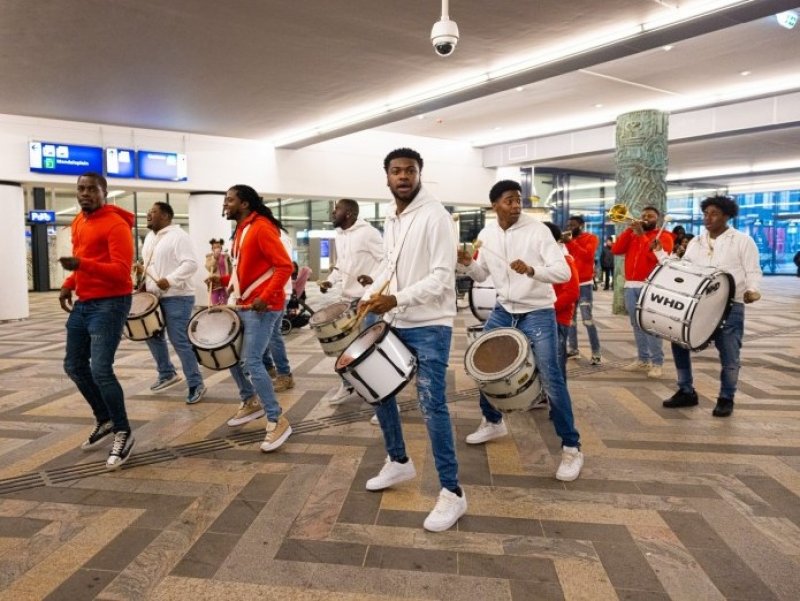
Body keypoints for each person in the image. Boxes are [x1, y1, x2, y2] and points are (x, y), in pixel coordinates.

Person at [361, 147, 466, 533]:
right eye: (396, 171)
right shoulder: (392, 217)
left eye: (409, 170)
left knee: (431, 405)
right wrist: (369, 294)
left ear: (420, 174)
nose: (403, 176)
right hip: (396, 319)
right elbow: (390, 265)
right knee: (378, 390)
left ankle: (452, 492)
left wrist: (395, 299)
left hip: (430, 324)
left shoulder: (436, 215)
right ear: (387, 177)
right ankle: (399, 460)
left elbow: (441, 276)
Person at [457, 180, 584, 483]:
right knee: (482, 366)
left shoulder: (537, 231)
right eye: (509, 200)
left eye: (518, 200)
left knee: (551, 378)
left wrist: (531, 270)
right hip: (504, 309)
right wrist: (467, 264)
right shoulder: (487, 234)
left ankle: (571, 448)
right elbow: (482, 275)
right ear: (494, 205)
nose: (516, 205)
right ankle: (493, 422)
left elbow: (563, 272)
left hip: (538, 311)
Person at [657, 195, 762, 417]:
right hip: (698, 304)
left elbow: (752, 270)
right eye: (706, 213)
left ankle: (726, 397)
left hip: (730, 305)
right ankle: (686, 390)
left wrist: (752, 290)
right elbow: (683, 268)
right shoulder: (697, 241)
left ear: (727, 216)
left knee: (729, 353)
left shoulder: (742, 241)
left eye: (714, 213)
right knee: (679, 341)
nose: (708, 218)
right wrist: (660, 254)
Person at [58, 172, 135, 469]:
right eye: (81, 188)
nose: (85, 193)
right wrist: (69, 283)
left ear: (104, 192)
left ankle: (123, 431)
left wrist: (81, 264)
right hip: (85, 302)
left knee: (101, 369)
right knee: (74, 365)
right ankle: (105, 418)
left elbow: (121, 272)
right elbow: (82, 257)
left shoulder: (116, 224)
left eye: (92, 189)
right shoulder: (80, 221)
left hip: (111, 303)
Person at [210, 184, 294, 452]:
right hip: (245, 303)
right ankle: (250, 401)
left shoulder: (261, 228)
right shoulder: (241, 230)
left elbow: (284, 266)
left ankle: (276, 419)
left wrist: (266, 296)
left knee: (252, 360)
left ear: (244, 204)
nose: (225, 205)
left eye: (229, 200)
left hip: (263, 307)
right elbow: (245, 270)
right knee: (232, 355)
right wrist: (223, 280)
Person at [139, 202, 206, 404]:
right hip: (154, 296)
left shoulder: (179, 236)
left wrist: (170, 279)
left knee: (179, 340)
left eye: (153, 211)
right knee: (151, 334)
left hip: (178, 296)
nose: (148, 214)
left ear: (166, 216)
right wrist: (143, 280)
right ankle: (167, 373)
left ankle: (196, 383)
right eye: (148, 211)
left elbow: (191, 264)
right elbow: (152, 265)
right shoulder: (150, 237)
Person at [318, 198, 384, 404]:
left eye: (336, 209)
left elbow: (386, 260)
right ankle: (348, 385)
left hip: (367, 300)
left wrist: (373, 279)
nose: (332, 213)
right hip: (347, 299)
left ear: (349, 213)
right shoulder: (340, 234)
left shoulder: (369, 233)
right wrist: (330, 281)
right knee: (343, 346)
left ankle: (382, 397)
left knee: (369, 349)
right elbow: (342, 264)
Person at [611, 206, 673, 379]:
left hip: (651, 286)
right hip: (631, 285)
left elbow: (655, 257)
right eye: (643, 215)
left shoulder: (664, 236)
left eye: (650, 216)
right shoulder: (632, 235)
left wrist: (641, 236)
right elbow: (616, 250)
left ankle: (657, 363)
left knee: (652, 325)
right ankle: (643, 359)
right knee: (636, 324)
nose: (645, 218)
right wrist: (628, 230)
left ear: (657, 219)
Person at [543, 222, 580, 383]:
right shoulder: (544, 258)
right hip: (544, 316)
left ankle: (558, 395)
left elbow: (572, 292)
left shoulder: (564, 259)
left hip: (557, 318)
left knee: (556, 365)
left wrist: (549, 308)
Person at [261, 217, 295, 393]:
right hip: (271, 293)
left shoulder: (278, 238)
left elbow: (283, 267)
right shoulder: (277, 236)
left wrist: (268, 293)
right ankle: (269, 367)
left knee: (273, 335)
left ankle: (284, 374)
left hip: (277, 294)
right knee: (266, 334)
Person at [564, 215, 602, 364]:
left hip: (585, 284)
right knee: (570, 320)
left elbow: (587, 255)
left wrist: (571, 243)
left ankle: (596, 353)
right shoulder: (567, 241)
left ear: (581, 225)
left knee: (587, 320)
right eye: (568, 225)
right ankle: (573, 349)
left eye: (573, 225)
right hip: (570, 284)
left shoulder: (591, 238)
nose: (570, 228)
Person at [205, 238, 232, 305]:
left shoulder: (225, 257)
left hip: (224, 282)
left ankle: (223, 310)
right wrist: (215, 258)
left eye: (218, 247)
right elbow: (209, 268)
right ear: (212, 249)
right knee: (215, 302)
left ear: (221, 248)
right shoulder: (209, 257)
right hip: (214, 283)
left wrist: (231, 278)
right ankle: (215, 310)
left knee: (224, 302)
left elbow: (230, 268)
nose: (217, 249)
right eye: (215, 247)